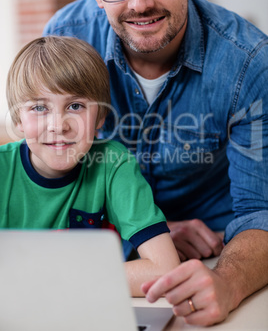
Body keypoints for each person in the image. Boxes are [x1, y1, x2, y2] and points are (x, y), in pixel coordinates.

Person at [43, 0, 268, 326]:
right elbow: (56, 173)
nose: (139, 3)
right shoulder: (67, 37)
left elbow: (261, 211)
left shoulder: (249, 63)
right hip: (110, 244)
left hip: (213, 255)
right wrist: (146, 232)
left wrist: (228, 284)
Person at [1, 35, 180, 297]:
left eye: (75, 106)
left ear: (100, 117)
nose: (58, 125)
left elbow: (164, 270)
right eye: (39, 107)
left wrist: (47, 277)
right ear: (18, 120)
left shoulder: (113, 164)